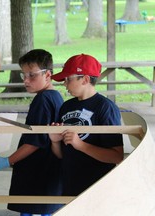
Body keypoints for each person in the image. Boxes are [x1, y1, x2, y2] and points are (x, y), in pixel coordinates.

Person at [0, 49, 64, 216]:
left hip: (37, 169)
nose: (26, 80)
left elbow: (35, 141)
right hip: (48, 168)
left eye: (32, 75)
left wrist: (8, 161)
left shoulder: (43, 100)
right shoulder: (55, 96)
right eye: (24, 75)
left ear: (48, 75)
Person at [49, 54, 124, 197]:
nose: (64, 84)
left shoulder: (105, 108)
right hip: (70, 186)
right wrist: (55, 142)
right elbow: (61, 155)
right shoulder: (66, 106)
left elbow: (116, 156)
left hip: (97, 190)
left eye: (68, 79)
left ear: (85, 79)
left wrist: (81, 144)